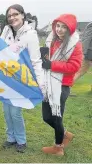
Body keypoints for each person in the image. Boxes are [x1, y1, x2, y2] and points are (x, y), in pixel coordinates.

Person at [0, 4, 45, 153]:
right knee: (6, 110)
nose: (12, 18)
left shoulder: (30, 34)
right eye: (9, 16)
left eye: (15, 14)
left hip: (21, 79)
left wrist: (41, 84)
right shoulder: (6, 30)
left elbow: (35, 60)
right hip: (7, 78)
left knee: (15, 112)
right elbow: (0, 51)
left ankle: (21, 140)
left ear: (22, 15)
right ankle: (10, 138)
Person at [41, 14, 83, 156]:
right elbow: (48, 60)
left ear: (70, 29)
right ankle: (66, 134)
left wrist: (52, 64)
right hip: (48, 84)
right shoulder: (51, 39)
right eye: (58, 25)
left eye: (64, 27)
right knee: (46, 117)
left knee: (56, 117)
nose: (59, 29)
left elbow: (74, 66)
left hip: (62, 85)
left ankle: (58, 148)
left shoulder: (74, 44)